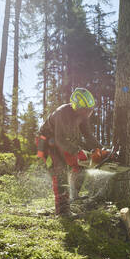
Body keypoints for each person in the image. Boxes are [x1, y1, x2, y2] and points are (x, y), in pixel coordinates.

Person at [37, 88, 102, 216]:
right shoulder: (62, 113)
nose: (88, 113)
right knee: (59, 170)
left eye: (90, 110)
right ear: (77, 107)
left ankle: (74, 196)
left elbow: (88, 135)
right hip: (47, 143)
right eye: (86, 110)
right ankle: (62, 210)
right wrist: (77, 151)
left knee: (81, 164)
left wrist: (101, 148)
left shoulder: (82, 116)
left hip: (63, 142)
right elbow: (60, 139)